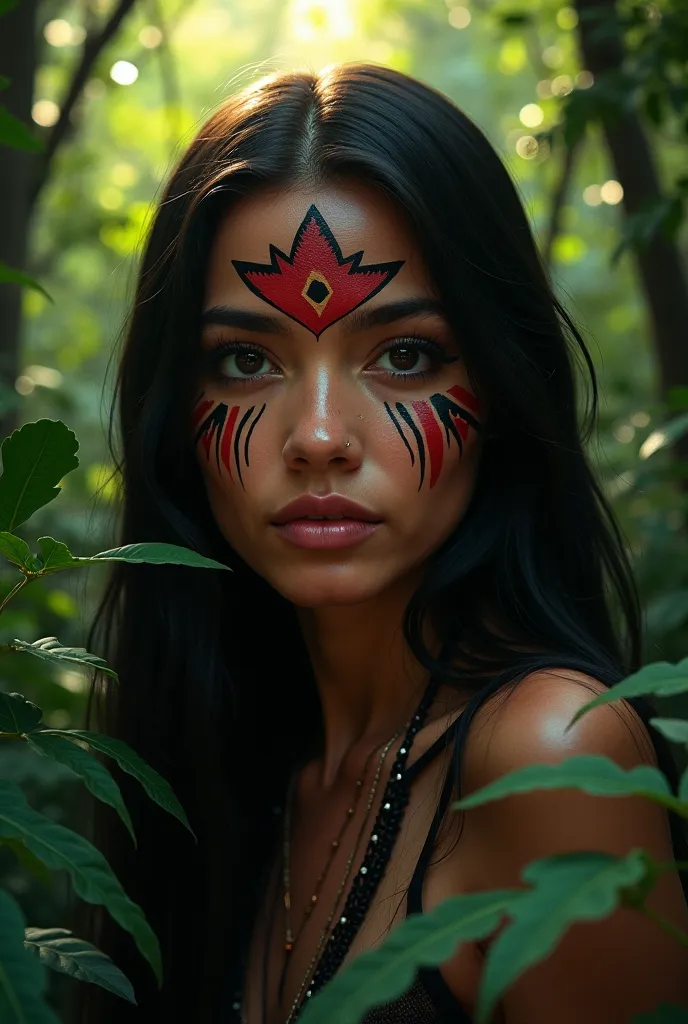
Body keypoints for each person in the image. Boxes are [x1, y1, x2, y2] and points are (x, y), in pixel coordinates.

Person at [81, 64, 688, 1024]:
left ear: (501, 389)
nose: (319, 434)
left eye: (405, 355)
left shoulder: (547, 755)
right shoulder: (224, 755)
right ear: (173, 417)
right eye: (246, 361)